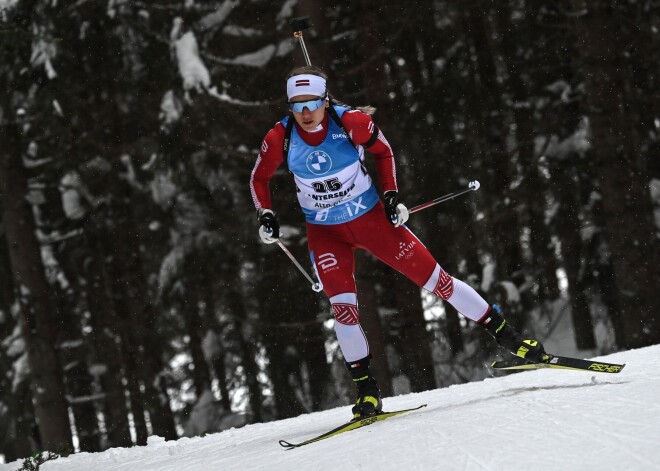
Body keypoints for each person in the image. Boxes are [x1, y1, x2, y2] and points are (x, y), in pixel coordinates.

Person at [250, 65, 546, 420]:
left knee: (439, 282)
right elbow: (259, 178)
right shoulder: (279, 137)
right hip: (326, 234)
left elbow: (384, 151)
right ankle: (367, 393)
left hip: (373, 222)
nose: (305, 113)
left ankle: (510, 339)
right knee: (343, 310)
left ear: (325, 101)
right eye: (296, 106)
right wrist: (265, 214)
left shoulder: (352, 123)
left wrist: (391, 196)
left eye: (312, 103)